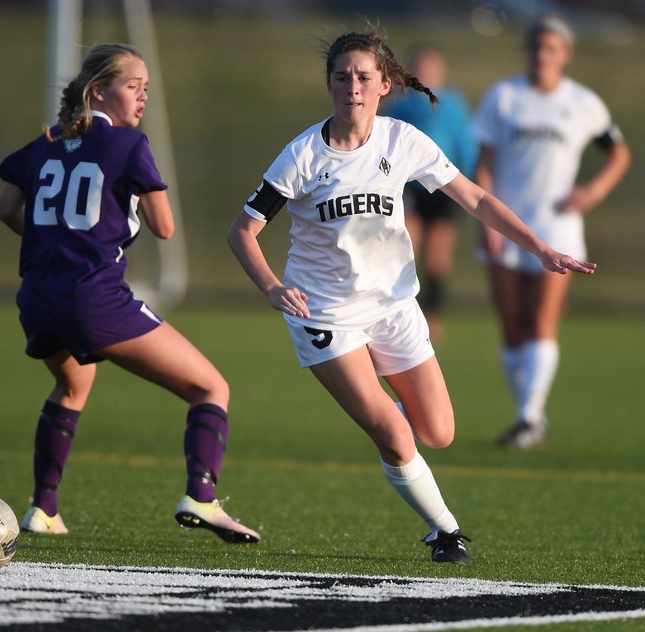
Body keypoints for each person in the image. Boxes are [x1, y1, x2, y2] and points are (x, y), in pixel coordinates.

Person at [228, 28, 595, 564]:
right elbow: (242, 231)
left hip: (394, 305)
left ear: (384, 85)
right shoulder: (301, 155)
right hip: (323, 310)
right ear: (328, 85)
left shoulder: (403, 141)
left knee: (439, 433)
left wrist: (540, 247)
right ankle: (445, 532)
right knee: (396, 437)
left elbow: (473, 198)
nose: (351, 86)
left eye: (363, 77)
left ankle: (392, 415)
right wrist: (271, 286)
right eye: (341, 76)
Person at [0, 43, 259, 543]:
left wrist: (56, 239)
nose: (142, 98)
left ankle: (43, 509)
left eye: (145, 89)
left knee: (72, 387)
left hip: (37, 297)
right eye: (133, 86)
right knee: (211, 388)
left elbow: (6, 208)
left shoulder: (48, 139)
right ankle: (202, 498)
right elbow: (164, 228)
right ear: (99, 91)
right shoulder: (130, 146)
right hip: (93, 299)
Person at [473, 15, 630, 449]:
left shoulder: (583, 102)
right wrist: (486, 220)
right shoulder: (504, 97)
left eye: (551, 48)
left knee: (542, 320)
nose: (542, 55)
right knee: (511, 322)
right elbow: (482, 162)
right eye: (536, 47)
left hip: (556, 226)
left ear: (565, 54)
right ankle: (524, 412)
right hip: (505, 223)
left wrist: (591, 193)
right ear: (527, 51)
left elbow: (618, 153)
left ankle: (530, 416)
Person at [383, 46, 477, 340]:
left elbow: (464, 143)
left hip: (444, 186)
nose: (425, 74)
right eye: (419, 67)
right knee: (406, 246)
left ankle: (432, 314)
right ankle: (401, 310)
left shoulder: (453, 103)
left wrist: (467, 179)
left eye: (431, 68)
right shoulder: (401, 105)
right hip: (409, 186)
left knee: (438, 255)